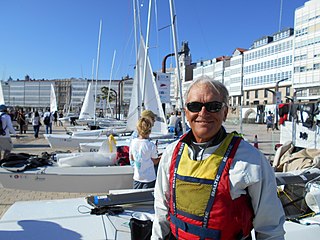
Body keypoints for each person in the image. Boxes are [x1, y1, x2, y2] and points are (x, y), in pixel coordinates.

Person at [151, 77, 285, 240]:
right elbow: (161, 211)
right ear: (186, 112)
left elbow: (270, 227)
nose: (203, 113)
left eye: (213, 107)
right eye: (195, 106)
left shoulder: (250, 159)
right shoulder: (171, 153)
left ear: (225, 112)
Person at [129, 117, 159, 189]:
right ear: (149, 130)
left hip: (137, 177)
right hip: (149, 178)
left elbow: (132, 158)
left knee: (136, 197)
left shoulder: (133, 142)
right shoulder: (151, 145)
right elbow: (155, 161)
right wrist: (161, 157)